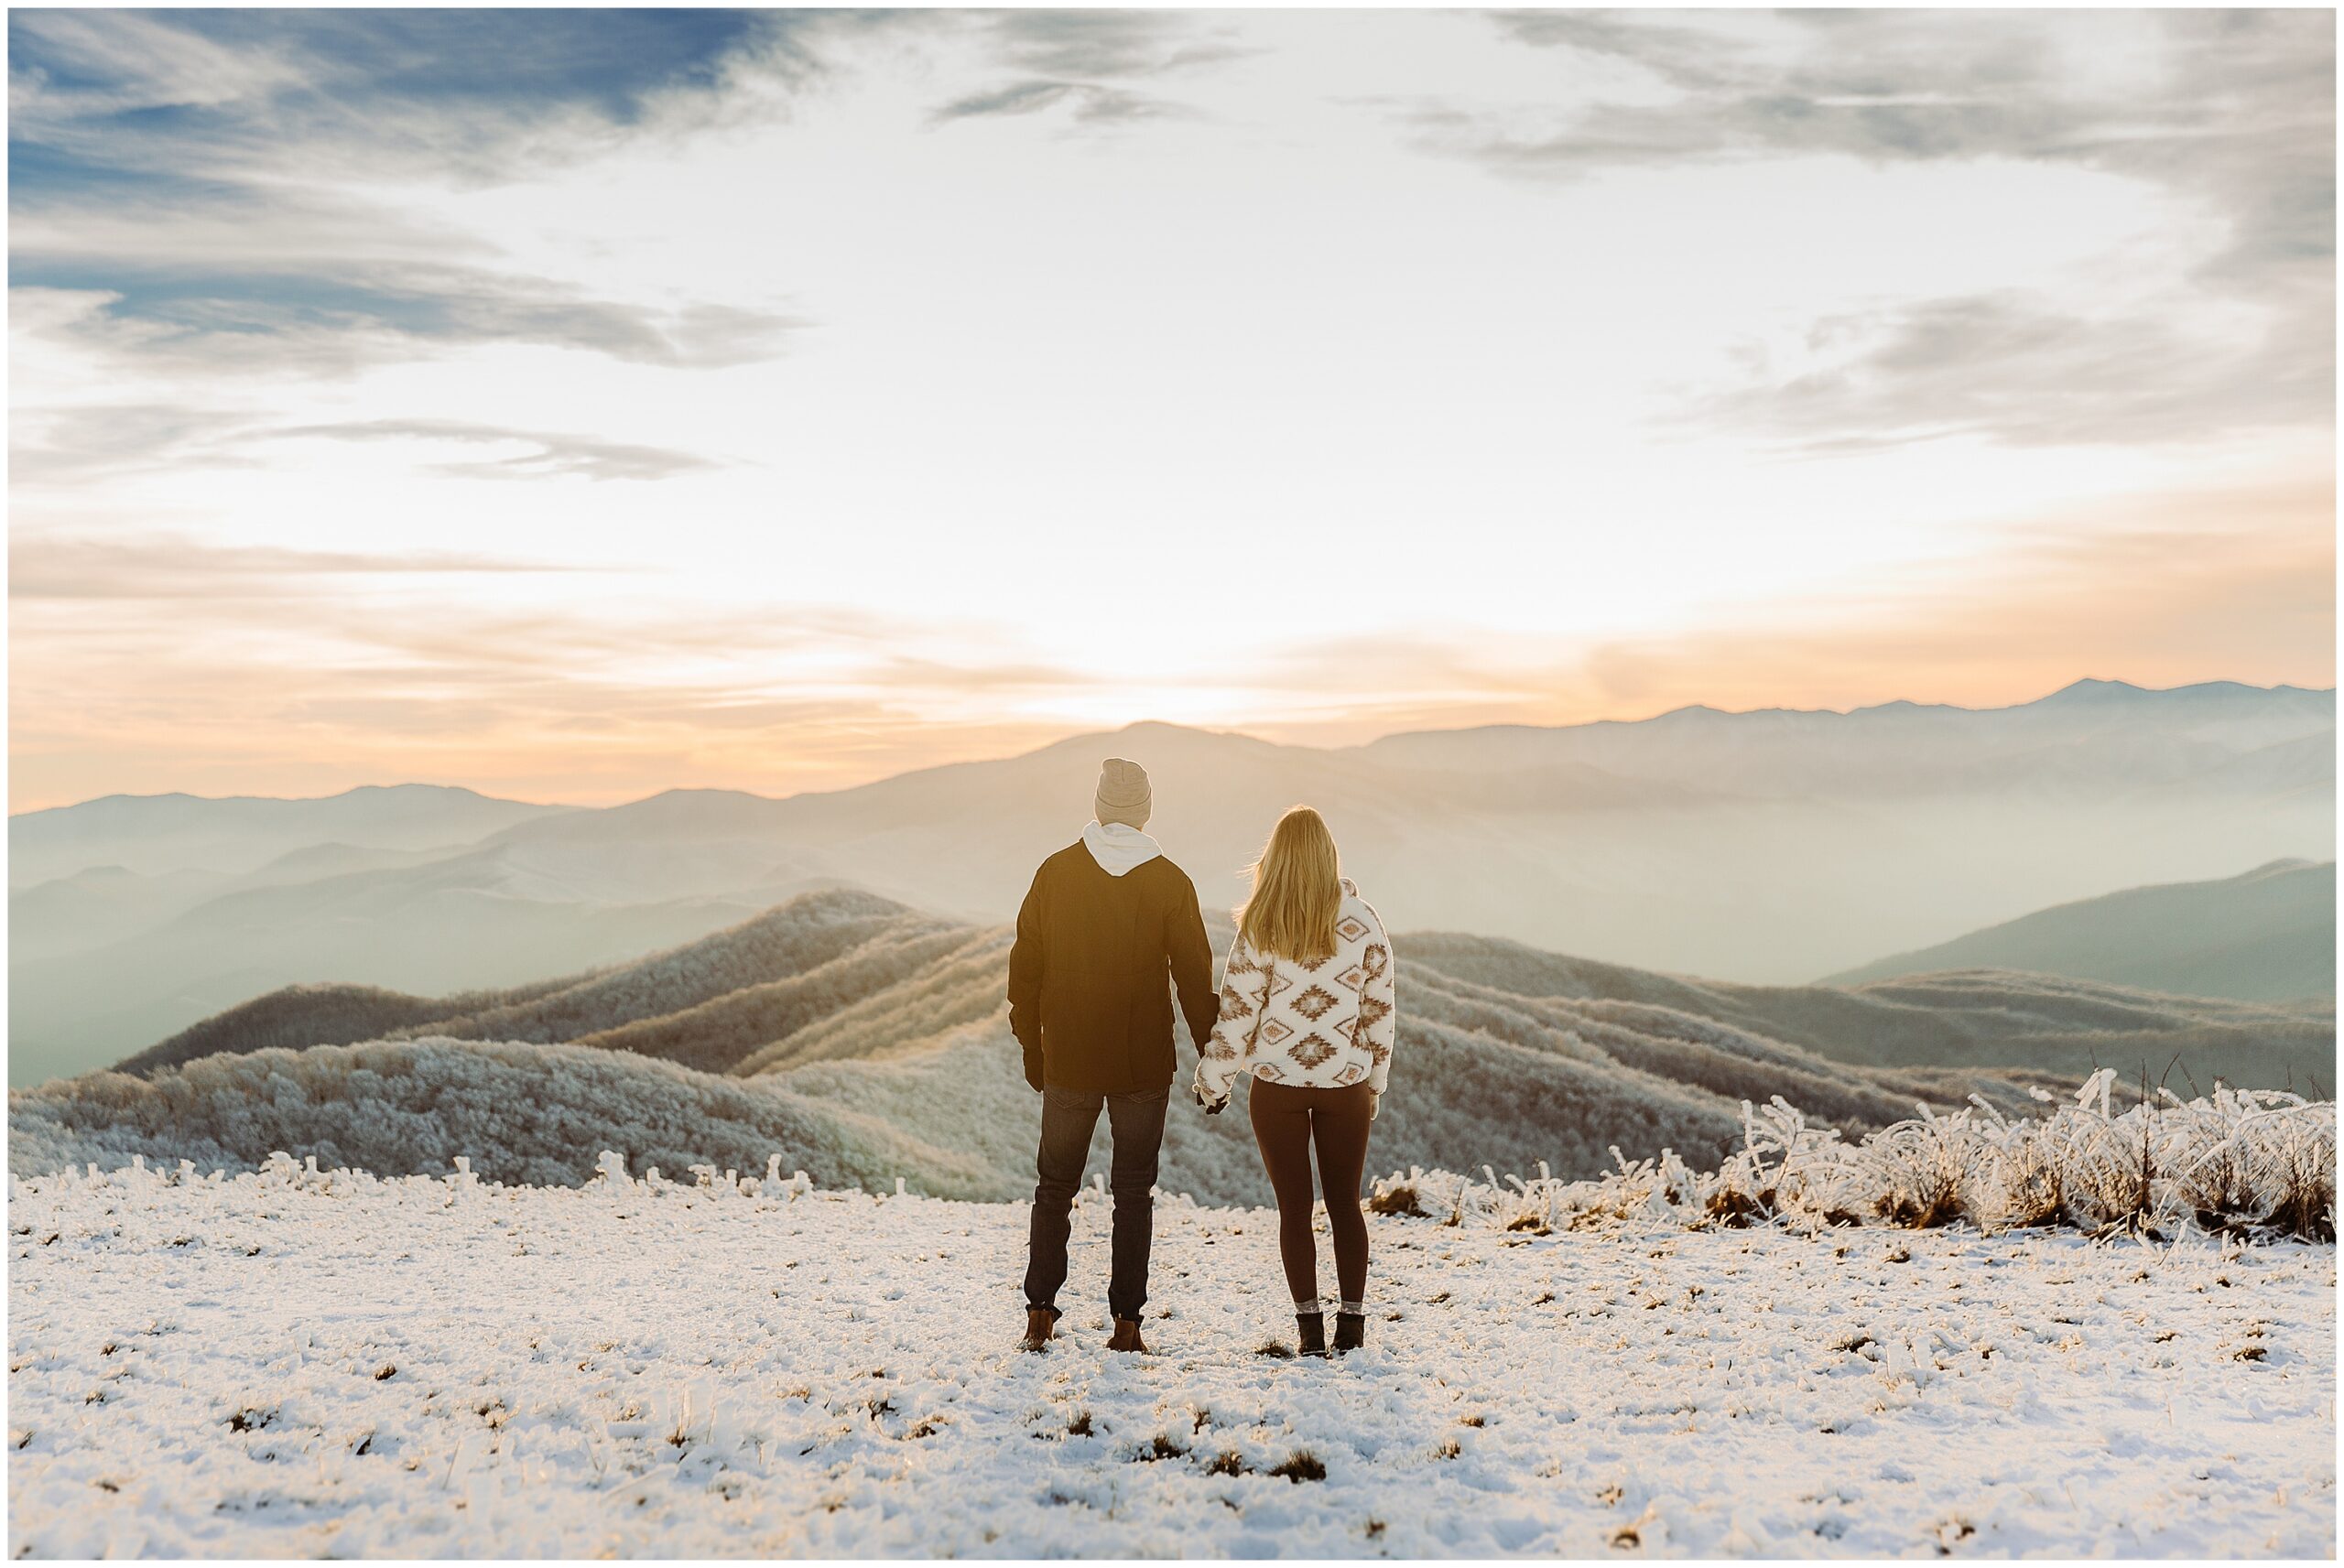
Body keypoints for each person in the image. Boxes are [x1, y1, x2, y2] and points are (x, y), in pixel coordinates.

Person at [1007, 757, 1218, 1355]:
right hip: (1142, 1065)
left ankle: (1040, 1316)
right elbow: (1195, 981)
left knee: (1054, 1187)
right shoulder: (1171, 881)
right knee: (1133, 1192)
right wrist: (1213, 1059)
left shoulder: (1055, 873)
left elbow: (1025, 968)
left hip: (1070, 1058)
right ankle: (1127, 1325)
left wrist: (1032, 1043)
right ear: (1146, 811)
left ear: (1098, 807)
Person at [1194, 806, 1396, 1358]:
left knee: (1294, 1210)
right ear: (1329, 857)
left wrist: (1214, 1079)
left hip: (1277, 1089)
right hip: (1344, 1088)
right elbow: (1380, 1012)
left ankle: (1309, 1332)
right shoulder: (1364, 923)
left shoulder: (1260, 926)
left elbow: (1236, 1013)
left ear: (1276, 858)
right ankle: (1351, 1327)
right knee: (1345, 1205)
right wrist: (1373, 1080)